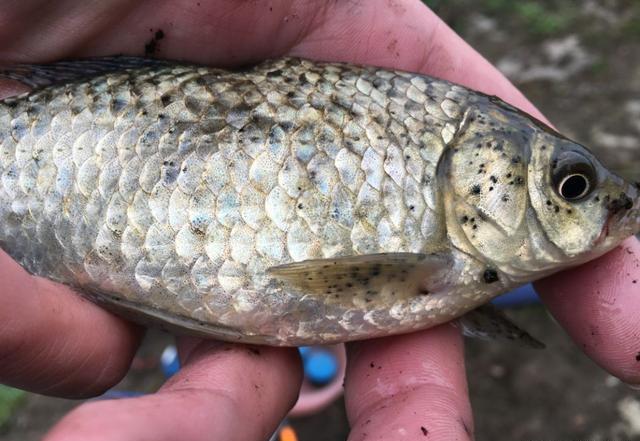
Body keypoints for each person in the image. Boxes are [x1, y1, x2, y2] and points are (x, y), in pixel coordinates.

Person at [0, 1, 638, 440]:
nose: (603, 206)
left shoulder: (457, 258)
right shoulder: (446, 263)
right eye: (572, 186)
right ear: (468, 172)